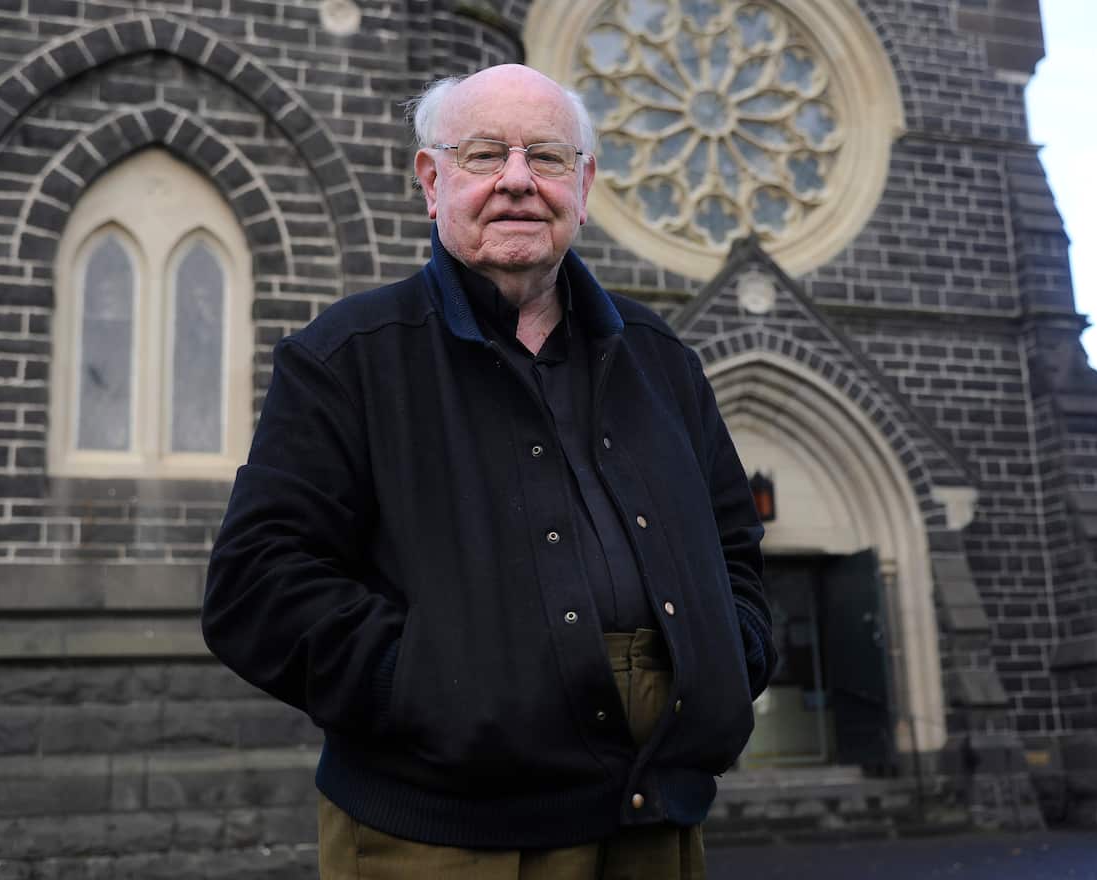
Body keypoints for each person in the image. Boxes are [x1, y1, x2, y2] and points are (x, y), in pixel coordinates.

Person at [202, 63, 775, 879]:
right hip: (441, 839)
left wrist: (728, 658)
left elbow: (736, 552)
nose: (516, 180)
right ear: (432, 181)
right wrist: (426, 686)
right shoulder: (346, 357)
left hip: (655, 821)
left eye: (545, 157)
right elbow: (255, 587)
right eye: (483, 155)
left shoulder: (661, 361)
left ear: (583, 185)